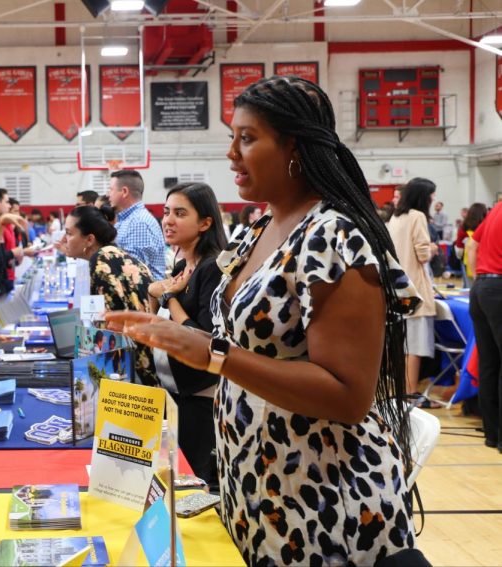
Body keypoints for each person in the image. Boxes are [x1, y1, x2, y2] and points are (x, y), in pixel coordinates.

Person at [106, 76, 421, 565]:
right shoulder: (258, 229)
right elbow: (243, 344)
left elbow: (348, 395)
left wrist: (211, 354)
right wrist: (183, 336)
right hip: (259, 493)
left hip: (325, 504)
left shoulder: (334, 236)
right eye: (233, 137)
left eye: (247, 138)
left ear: (294, 146)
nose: (231, 153)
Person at [146, 182, 226, 485]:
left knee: (200, 482)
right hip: (175, 392)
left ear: (205, 222)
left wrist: (169, 297)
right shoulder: (182, 264)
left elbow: (204, 339)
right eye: (166, 212)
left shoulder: (212, 267)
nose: (168, 220)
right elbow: (161, 325)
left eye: (180, 213)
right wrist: (157, 295)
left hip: (202, 398)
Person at [59, 205, 156, 386]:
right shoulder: (114, 254)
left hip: (136, 372)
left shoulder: (100, 261)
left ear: (89, 239)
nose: (64, 239)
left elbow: (110, 329)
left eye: (69, 233)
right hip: (146, 360)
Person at [388, 178, 439, 406]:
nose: (433, 199)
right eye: (431, 195)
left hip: (398, 291)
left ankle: (403, 391)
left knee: (401, 347)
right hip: (416, 291)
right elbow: (423, 254)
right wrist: (432, 248)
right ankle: (410, 394)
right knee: (415, 348)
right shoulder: (417, 217)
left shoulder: (396, 217)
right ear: (423, 196)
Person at [466, 201, 502, 452]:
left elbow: (472, 245)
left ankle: (492, 434)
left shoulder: (497, 208)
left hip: (480, 288)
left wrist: (476, 276)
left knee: (489, 363)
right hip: (498, 287)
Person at [107, 169, 167, 280]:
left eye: (111, 190)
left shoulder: (139, 223)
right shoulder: (127, 220)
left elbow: (133, 274)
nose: (108, 194)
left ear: (124, 191)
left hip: (143, 296)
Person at [455, 203, 488, 288]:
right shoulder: (486, 227)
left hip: (467, 262)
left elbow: (459, 249)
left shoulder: (463, 229)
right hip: (485, 263)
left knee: (469, 287)